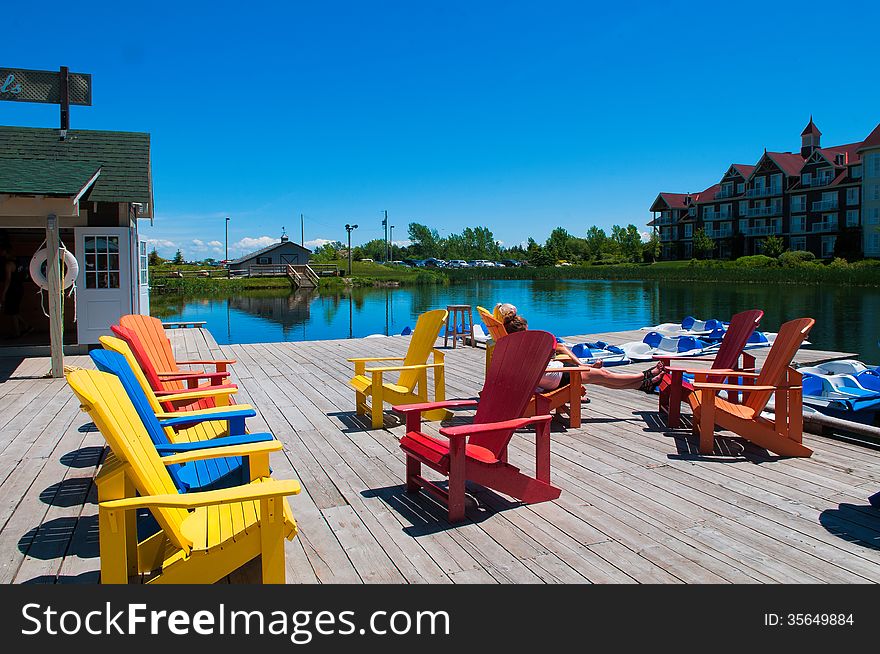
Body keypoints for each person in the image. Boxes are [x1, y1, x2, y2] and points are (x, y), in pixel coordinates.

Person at [503, 314, 664, 393]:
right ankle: (645, 375)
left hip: (554, 372)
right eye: (527, 329)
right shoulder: (523, 348)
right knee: (604, 375)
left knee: (601, 378)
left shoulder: (513, 348)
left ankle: (643, 384)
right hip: (558, 377)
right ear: (522, 331)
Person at [0, 237, 33, 339]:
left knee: (12, 311)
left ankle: (18, 332)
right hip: (19, 288)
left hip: (13, 289)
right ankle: (24, 327)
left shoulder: (8, 264)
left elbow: (8, 280)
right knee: (14, 311)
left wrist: (3, 293)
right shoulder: (17, 261)